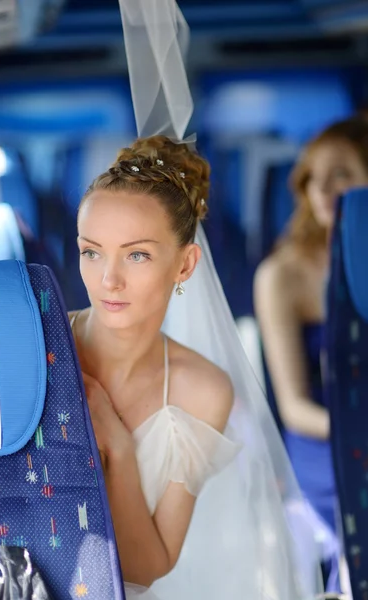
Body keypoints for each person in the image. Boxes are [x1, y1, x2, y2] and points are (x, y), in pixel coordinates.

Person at [68, 134, 323, 599]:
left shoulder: (203, 390)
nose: (108, 279)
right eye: (91, 251)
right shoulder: (38, 342)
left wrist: (119, 448)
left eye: (137, 254)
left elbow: (148, 568)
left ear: (185, 265)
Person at [254, 115, 368, 589]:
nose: (323, 188)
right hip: (327, 443)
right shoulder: (282, 275)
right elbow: (295, 408)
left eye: (341, 173)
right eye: (312, 177)